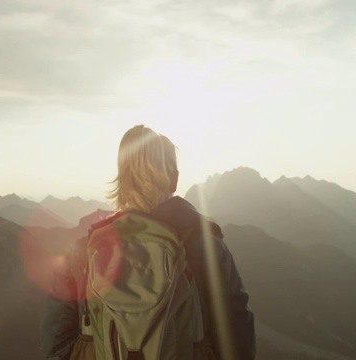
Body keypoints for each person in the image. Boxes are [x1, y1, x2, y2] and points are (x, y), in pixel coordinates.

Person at [39, 124, 255, 359]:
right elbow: (237, 335)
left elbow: (56, 340)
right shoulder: (207, 247)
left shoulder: (83, 251)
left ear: (121, 179)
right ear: (174, 179)